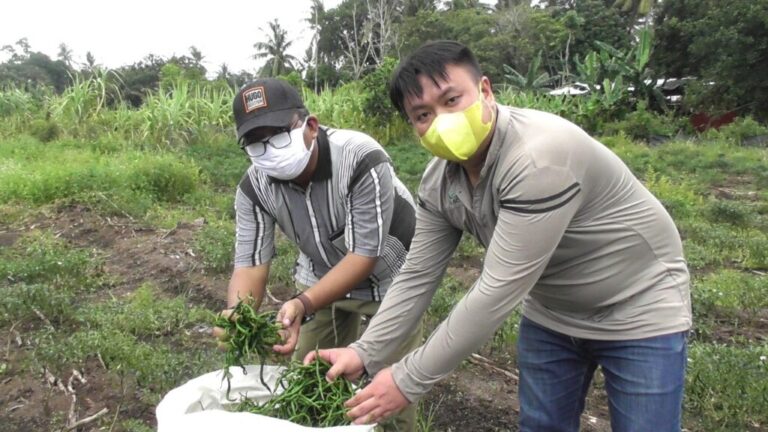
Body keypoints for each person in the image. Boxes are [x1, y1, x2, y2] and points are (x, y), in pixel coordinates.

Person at [308, 40, 692, 432]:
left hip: (639, 307)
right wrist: (364, 352)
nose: (441, 121)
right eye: (423, 115)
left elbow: (497, 289)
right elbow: (417, 275)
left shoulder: (539, 159)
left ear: (486, 91)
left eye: (452, 100)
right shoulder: (440, 182)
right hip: (553, 313)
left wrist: (408, 378)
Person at [215, 78, 422, 431]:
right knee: (311, 376)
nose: (269, 150)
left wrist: (301, 304)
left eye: (278, 134)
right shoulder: (254, 186)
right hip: (321, 275)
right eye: (254, 143)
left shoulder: (360, 158)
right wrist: (238, 312)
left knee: (388, 391)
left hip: (393, 278)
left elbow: (363, 255)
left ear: (310, 126)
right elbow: (249, 264)